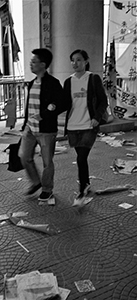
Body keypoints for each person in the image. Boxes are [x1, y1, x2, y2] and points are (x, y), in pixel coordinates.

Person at [19, 48, 67, 201]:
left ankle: (47, 188)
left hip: (46, 130)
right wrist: (24, 124)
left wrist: (45, 114)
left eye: (34, 62)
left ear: (43, 64)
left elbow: (62, 103)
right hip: (30, 127)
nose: (30, 64)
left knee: (47, 162)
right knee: (24, 156)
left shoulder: (53, 83)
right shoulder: (32, 83)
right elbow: (29, 106)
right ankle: (36, 182)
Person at [63, 49, 108, 207]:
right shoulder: (68, 81)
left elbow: (103, 101)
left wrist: (97, 117)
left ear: (86, 61)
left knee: (81, 158)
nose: (75, 63)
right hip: (73, 126)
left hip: (89, 125)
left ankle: (82, 189)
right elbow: (65, 103)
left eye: (79, 60)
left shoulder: (93, 78)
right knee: (82, 158)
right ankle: (86, 182)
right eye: (72, 60)